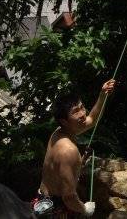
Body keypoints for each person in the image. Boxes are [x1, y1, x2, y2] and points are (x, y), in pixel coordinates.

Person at [32, 79, 116, 217]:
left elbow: (92, 119)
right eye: (75, 111)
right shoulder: (68, 151)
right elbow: (69, 197)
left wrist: (102, 94)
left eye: (82, 107)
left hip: (42, 199)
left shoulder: (59, 132)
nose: (83, 114)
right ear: (64, 120)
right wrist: (85, 209)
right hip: (56, 209)